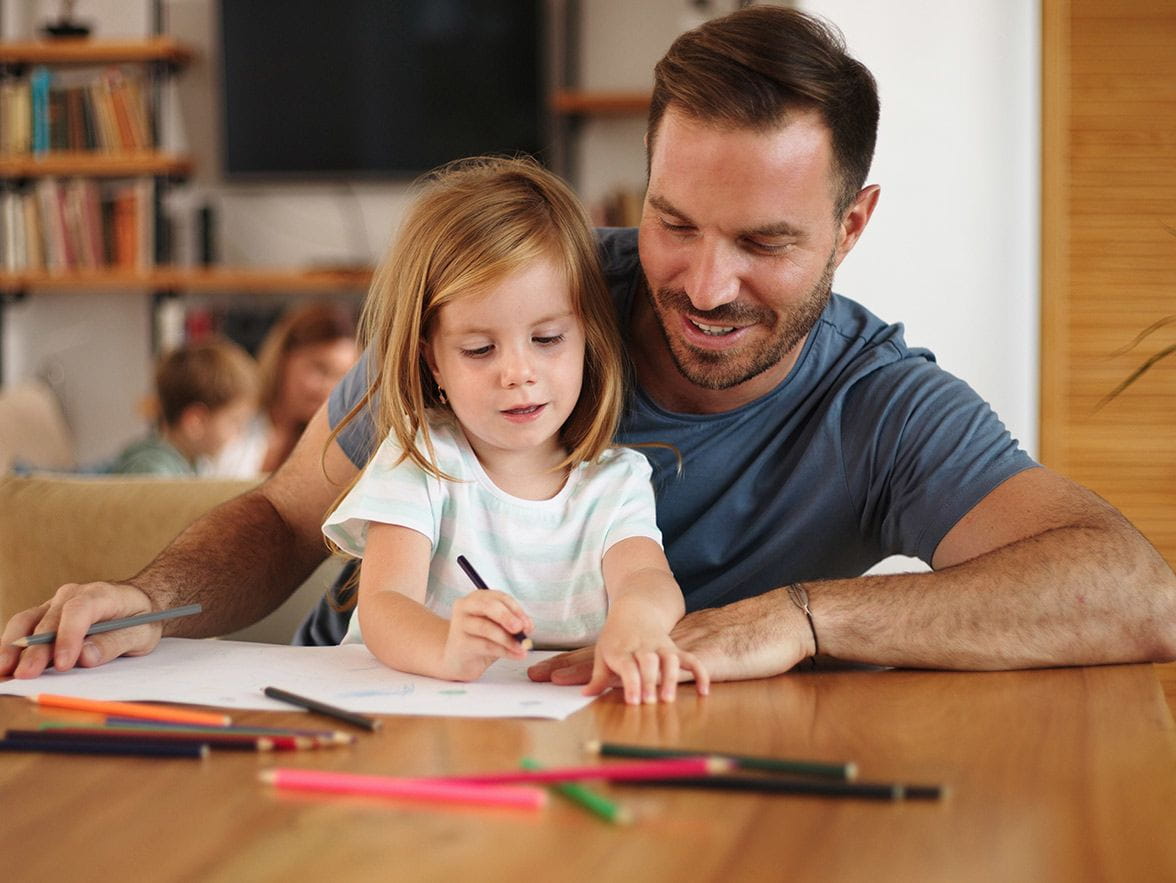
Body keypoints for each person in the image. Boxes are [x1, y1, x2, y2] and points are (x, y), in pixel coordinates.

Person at [4, 6, 1173, 683]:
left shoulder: (880, 406)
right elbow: (277, 515)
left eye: (764, 241)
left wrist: (807, 618)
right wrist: (144, 601)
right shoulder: (520, 301)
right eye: (672, 222)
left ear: (851, 226)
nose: (704, 285)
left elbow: (1135, 592)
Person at [320, 157, 706, 703]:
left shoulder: (615, 480)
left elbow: (645, 578)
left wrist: (638, 625)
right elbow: (384, 605)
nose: (518, 373)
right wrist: (445, 647)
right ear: (433, 363)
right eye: (479, 349)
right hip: (411, 721)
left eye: (547, 339)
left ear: (586, 339)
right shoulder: (422, 458)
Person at [203, 303, 358, 476]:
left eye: (342, 377)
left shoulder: (340, 448)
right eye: (320, 369)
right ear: (282, 360)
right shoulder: (230, 420)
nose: (329, 388)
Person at [108, 338, 257, 476]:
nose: (240, 432)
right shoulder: (153, 470)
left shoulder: (194, 464)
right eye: (235, 422)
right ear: (196, 422)